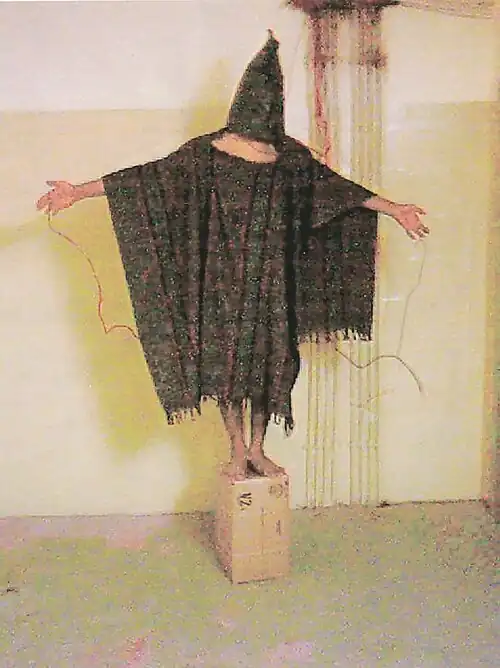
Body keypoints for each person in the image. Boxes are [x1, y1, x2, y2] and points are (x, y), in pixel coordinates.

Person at [36, 32, 429, 481]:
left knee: (271, 364)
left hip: (273, 284)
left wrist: (394, 208)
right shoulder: (203, 154)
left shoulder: (290, 158)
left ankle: (258, 449)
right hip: (221, 283)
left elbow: (341, 192)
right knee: (228, 368)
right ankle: (237, 450)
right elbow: (143, 180)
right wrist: (78, 191)